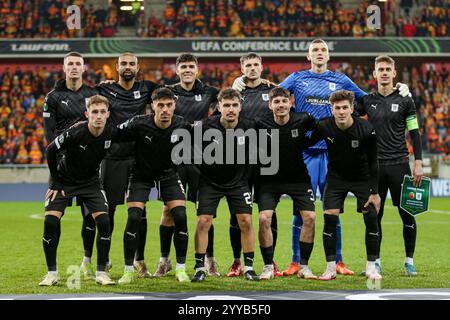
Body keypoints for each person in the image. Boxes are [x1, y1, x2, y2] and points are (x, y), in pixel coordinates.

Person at [355, 55, 423, 276]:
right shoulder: (366, 101)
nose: (384, 72)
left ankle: (409, 261)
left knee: (407, 214)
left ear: (394, 73)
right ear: (374, 74)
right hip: (373, 168)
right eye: (380, 69)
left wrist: (418, 163)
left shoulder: (406, 100)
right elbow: (345, 114)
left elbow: (414, 132)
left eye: (388, 69)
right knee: (374, 216)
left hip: (400, 165)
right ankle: (375, 262)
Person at [116, 87, 190, 284]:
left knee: (181, 215)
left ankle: (181, 269)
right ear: (153, 107)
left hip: (168, 174)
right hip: (141, 175)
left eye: (168, 105)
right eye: (160, 105)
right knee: (134, 216)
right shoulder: (138, 123)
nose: (165, 109)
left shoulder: (182, 124)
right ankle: (128, 270)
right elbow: (112, 134)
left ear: (174, 106)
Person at [306, 90, 382, 281]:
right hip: (336, 179)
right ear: (331, 109)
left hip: (362, 178)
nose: (341, 111)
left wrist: (375, 192)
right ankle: (330, 268)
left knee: (371, 217)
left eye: (344, 107)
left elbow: (374, 162)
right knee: (329, 218)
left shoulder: (366, 128)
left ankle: (371, 267)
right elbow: (304, 142)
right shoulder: (324, 126)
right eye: (337, 108)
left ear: (352, 108)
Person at [95, 52, 160, 278]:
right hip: (112, 157)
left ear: (138, 67)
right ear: (117, 67)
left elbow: (174, 92)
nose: (128, 67)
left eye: (132, 63)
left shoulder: (147, 88)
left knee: (139, 212)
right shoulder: (103, 89)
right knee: (108, 210)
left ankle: (139, 260)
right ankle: (106, 257)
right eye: (124, 64)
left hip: (138, 158)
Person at [39, 95, 115, 286]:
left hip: (90, 183)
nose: (98, 116)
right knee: (50, 221)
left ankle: (101, 272)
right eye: (94, 112)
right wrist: (55, 182)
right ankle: (51, 274)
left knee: (104, 221)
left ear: (108, 114)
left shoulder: (111, 133)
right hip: (64, 180)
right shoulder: (75, 131)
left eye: (102, 112)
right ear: (87, 114)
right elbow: (50, 150)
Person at [156, 53, 220, 278]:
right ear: (177, 70)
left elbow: (232, 101)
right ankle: (164, 260)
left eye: (191, 66)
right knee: (168, 211)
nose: (187, 70)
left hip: (202, 159)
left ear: (197, 69)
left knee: (205, 213)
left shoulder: (210, 91)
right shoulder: (168, 91)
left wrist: (206, 124)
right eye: (183, 67)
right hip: (173, 159)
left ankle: (210, 260)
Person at [191, 88, 259, 282]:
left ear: (240, 107)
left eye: (234, 105)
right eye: (226, 105)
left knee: (245, 221)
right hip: (210, 182)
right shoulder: (204, 127)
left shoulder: (250, 126)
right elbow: (193, 154)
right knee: (204, 221)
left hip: (238, 183)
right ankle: (199, 267)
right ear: (219, 106)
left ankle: (249, 267)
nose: (230, 109)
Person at [42, 51, 98, 279]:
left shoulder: (92, 94)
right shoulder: (53, 97)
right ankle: (51, 272)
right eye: (70, 64)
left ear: (83, 68)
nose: (74, 67)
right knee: (52, 217)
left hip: (88, 166)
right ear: (64, 68)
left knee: (91, 216)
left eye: (78, 64)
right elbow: (49, 135)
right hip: (62, 166)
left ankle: (87, 261)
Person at [227, 53, 282, 278]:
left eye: (255, 64)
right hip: (239, 160)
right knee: (236, 212)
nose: (252, 68)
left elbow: (285, 100)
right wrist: (233, 87)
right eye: (247, 65)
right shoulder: (236, 93)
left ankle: (271, 261)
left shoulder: (271, 92)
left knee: (268, 212)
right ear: (241, 67)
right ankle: (237, 260)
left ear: (262, 67)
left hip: (266, 160)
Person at [256, 87, 317, 280]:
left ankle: (304, 267)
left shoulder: (303, 119)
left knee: (310, 217)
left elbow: (324, 128)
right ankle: (267, 267)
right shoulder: (259, 123)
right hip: (268, 179)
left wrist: (305, 143)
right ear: (270, 105)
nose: (281, 105)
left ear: (290, 103)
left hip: (298, 178)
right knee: (264, 219)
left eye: (284, 101)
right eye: (276, 102)